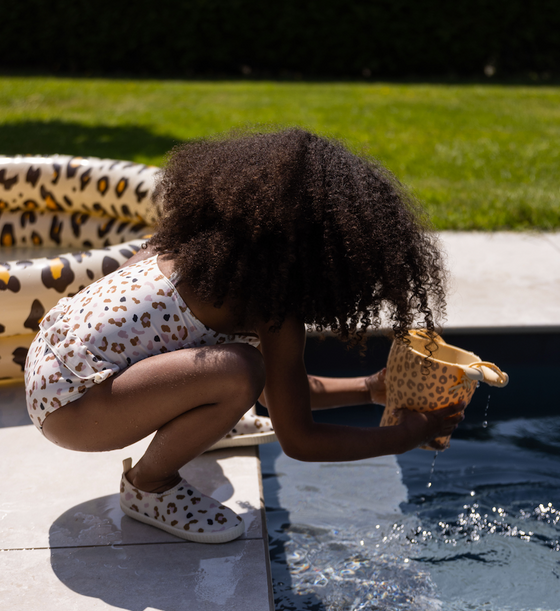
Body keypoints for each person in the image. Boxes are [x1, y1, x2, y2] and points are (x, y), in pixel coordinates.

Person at [24, 128, 465, 544]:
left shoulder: (186, 248)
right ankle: (149, 485)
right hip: (73, 411)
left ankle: (210, 419)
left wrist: (370, 389)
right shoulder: (273, 311)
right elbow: (301, 439)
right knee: (239, 371)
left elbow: (283, 396)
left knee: (235, 368)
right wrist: (407, 435)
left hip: (49, 369)